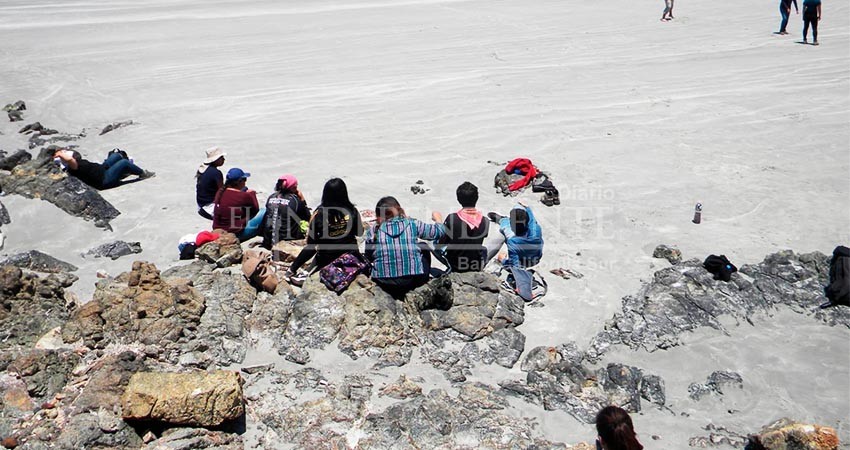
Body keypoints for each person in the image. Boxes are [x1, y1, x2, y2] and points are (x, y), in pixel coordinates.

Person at [365, 196, 445, 298]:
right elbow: (438, 233)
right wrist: (438, 219)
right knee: (423, 246)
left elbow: (369, 256)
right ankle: (422, 282)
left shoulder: (373, 231)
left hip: (384, 283)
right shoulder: (412, 224)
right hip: (412, 281)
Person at [286, 178, 362, 281]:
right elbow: (360, 233)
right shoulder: (352, 210)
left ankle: (292, 270)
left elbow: (311, 242)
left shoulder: (319, 213)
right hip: (350, 256)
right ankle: (304, 272)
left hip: (328, 258)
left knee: (314, 248)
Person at [435, 182, 489, 273]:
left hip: (455, 265)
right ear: (477, 198)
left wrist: (438, 221)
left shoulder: (452, 218)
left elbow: (442, 242)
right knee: (483, 249)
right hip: (474, 264)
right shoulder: (485, 221)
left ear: (458, 199)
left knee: (432, 242)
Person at [53, 148, 154, 190]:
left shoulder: (75, 163)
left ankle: (124, 171)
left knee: (116, 155)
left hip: (102, 169)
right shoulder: (73, 167)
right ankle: (142, 173)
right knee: (124, 163)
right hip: (104, 180)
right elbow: (70, 159)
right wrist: (61, 154)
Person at [211, 168, 265, 241]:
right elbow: (255, 210)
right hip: (236, 234)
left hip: (218, 230)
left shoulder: (220, 192)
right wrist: (252, 194)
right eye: (244, 179)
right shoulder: (243, 196)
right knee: (263, 211)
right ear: (239, 182)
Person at [262, 174, 311, 251]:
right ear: (293, 187)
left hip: (268, 243)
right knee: (302, 222)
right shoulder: (295, 200)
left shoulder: (271, 197)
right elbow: (308, 217)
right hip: (286, 244)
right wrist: (302, 200)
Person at [486, 204, 543, 268]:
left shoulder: (513, 242)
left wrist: (503, 260)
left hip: (523, 262)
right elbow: (532, 220)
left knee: (503, 230)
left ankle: (503, 220)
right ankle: (506, 219)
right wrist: (527, 207)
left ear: (512, 227)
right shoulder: (536, 229)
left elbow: (514, 266)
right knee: (517, 207)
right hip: (536, 257)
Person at [196, 147, 226, 219]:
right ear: (215, 160)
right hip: (209, 207)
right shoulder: (216, 173)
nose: (224, 159)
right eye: (221, 158)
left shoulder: (204, 170)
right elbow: (222, 191)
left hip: (201, 204)